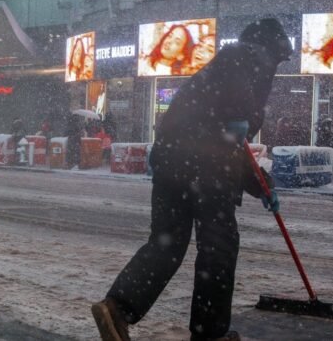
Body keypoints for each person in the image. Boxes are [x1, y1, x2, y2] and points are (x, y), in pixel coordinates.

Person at [92, 19, 292, 341]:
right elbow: (228, 134)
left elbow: (228, 141)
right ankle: (210, 334)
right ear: (263, 49)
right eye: (276, 59)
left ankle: (116, 308)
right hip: (206, 171)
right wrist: (248, 114)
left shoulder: (216, 75)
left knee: (166, 243)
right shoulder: (240, 59)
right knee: (219, 247)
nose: (274, 68)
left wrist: (260, 185)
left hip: (173, 162)